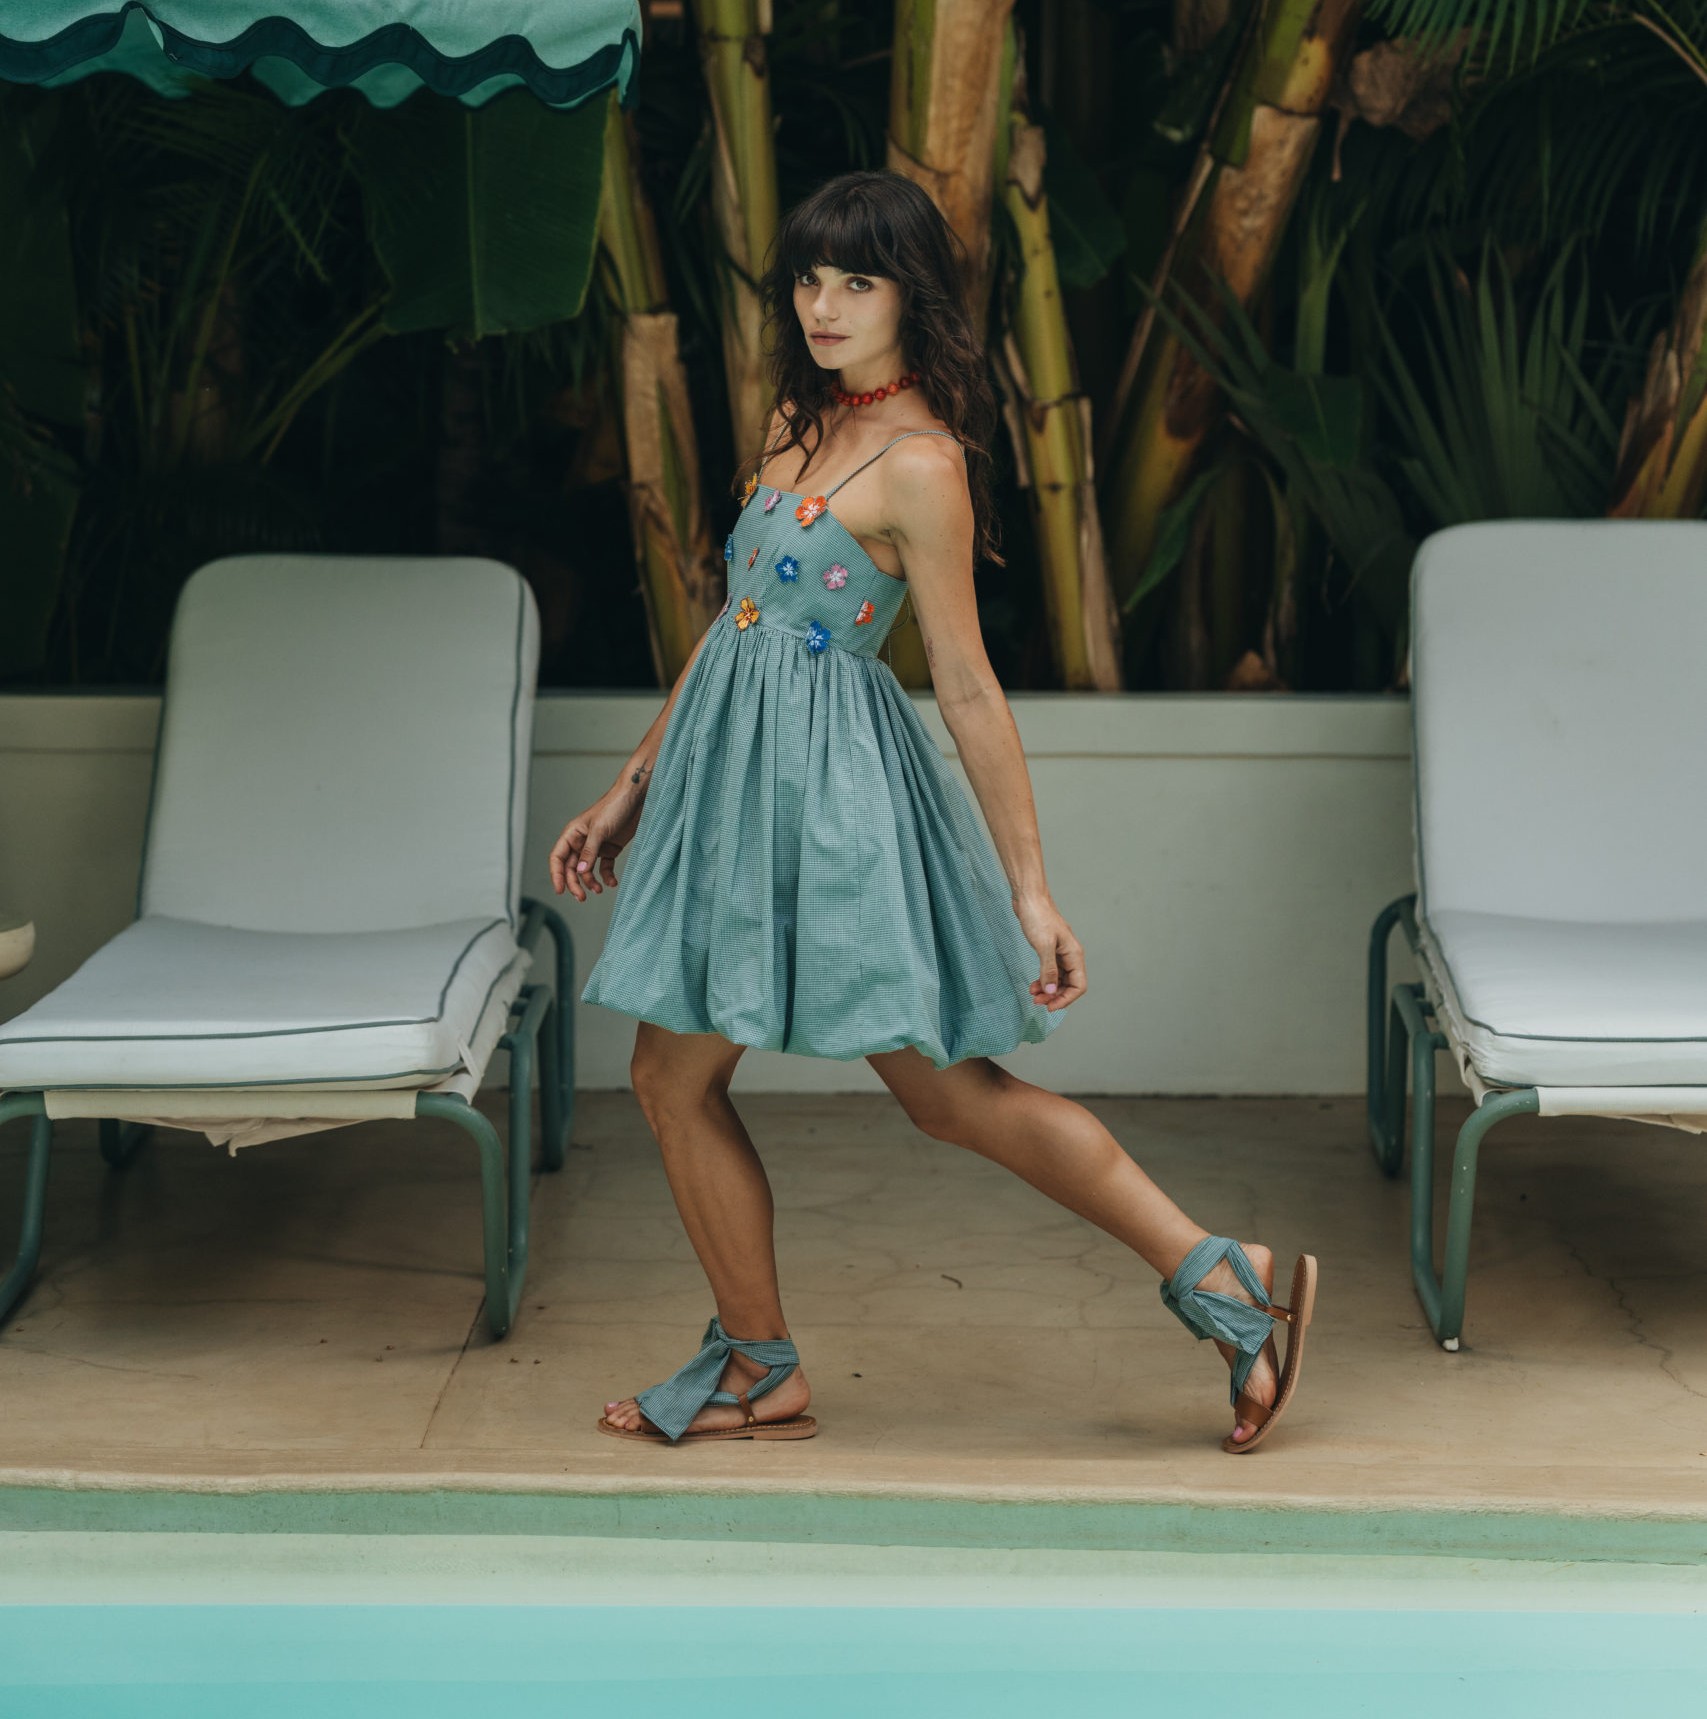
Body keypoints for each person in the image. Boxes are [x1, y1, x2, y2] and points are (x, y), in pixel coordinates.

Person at [551, 171, 1314, 1455]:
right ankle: (762, 1364)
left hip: (834, 813)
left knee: (952, 1097)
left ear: (912, 297)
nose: (824, 305)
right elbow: (737, 626)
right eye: (809, 278)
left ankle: (1220, 1276)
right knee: (671, 1075)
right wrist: (631, 784)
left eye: (857, 281)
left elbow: (964, 681)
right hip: (734, 798)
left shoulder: (923, 466)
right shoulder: (794, 425)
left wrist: (1032, 888)